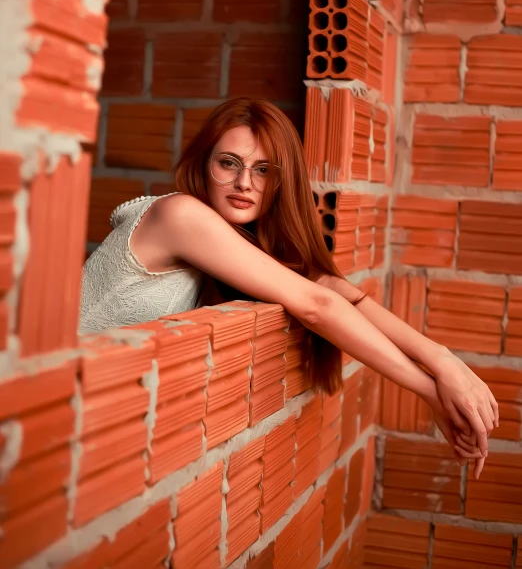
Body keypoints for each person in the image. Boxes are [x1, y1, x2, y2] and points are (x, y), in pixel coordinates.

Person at [80, 97, 498, 478]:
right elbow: (316, 305)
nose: (245, 182)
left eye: (263, 170)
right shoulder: (181, 215)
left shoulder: (224, 239)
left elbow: (328, 287)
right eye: (228, 163)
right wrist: (431, 392)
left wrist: (441, 360)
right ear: (202, 163)